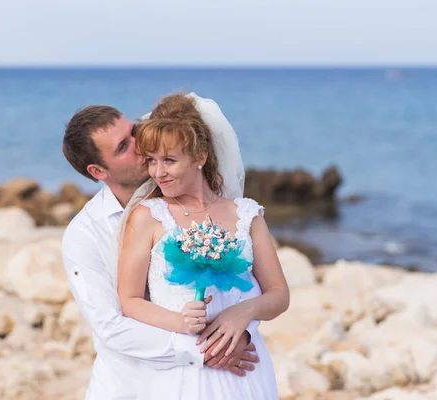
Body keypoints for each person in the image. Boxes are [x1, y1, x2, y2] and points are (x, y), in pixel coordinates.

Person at [61, 98, 259, 400]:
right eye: (123, 147)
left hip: (212, 380)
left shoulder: (189, 196)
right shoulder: (84, 235)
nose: (140, 145)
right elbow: (111, 326)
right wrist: (205, 351)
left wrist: (242, 330)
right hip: (130, 385)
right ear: (99, 171)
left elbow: (239, 276)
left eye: (133, 131)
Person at [116, 93, 290, 399]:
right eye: (151, 161)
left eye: (169, 160)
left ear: (200, 157)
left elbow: (279, 294)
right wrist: (180, 322)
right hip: (182, 369)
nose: (158, 172)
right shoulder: (148, 217)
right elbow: (129, 300)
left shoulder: (246, 215)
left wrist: (243, 314)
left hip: (245, 371)